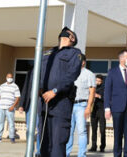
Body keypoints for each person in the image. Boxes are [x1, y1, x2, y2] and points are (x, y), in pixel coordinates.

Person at [36, 27, 83, 157]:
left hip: (61, 102)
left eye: (70, 34)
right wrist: (39, 87)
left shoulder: (75, 53)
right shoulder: (47, 53)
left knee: (58, 140)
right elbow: (38, 72)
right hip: (44, 101)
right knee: (44, 140)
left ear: (72, 39)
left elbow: (71, 75)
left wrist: (55, 91)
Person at [66, 55, 96, 157]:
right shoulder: (70, 73)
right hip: (69, 105)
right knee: (68, 131)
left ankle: (82, 154)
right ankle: (66, 153)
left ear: (83, 62)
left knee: (82, 131)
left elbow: (92, 93)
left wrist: (88, 107)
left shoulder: (89, 74)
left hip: (82, 105)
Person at [19, 65, 41, 156]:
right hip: (30, 104)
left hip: (40, 103)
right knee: (29, 130)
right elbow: (25, 88)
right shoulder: (31, 71)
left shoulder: (46, 71)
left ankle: (39, 152)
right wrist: (21, 104)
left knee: (39, 129)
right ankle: (29, 151)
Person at [0, 73, 20, 143]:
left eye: (11, 77)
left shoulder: (15, 86)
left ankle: (12, 138)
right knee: (0, 122)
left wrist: (13, 106)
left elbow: (17, 97)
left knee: (11, 123)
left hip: (9, 108)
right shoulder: (2, 86)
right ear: (6, 77)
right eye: (8, 77)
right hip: (1, 107)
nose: (9, 78)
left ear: (12, 78)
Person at [89, 75, 106, 153]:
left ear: (102, 81)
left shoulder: (104, 88)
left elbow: (106, 98)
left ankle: (102, 147)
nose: (97, 82)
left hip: (101, 110)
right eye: (96, 80)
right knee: (94, 129)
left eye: (99, 81)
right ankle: (93, 146)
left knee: (102, 129)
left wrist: (98, 96)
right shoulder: (92, 88)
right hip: (93, 110)